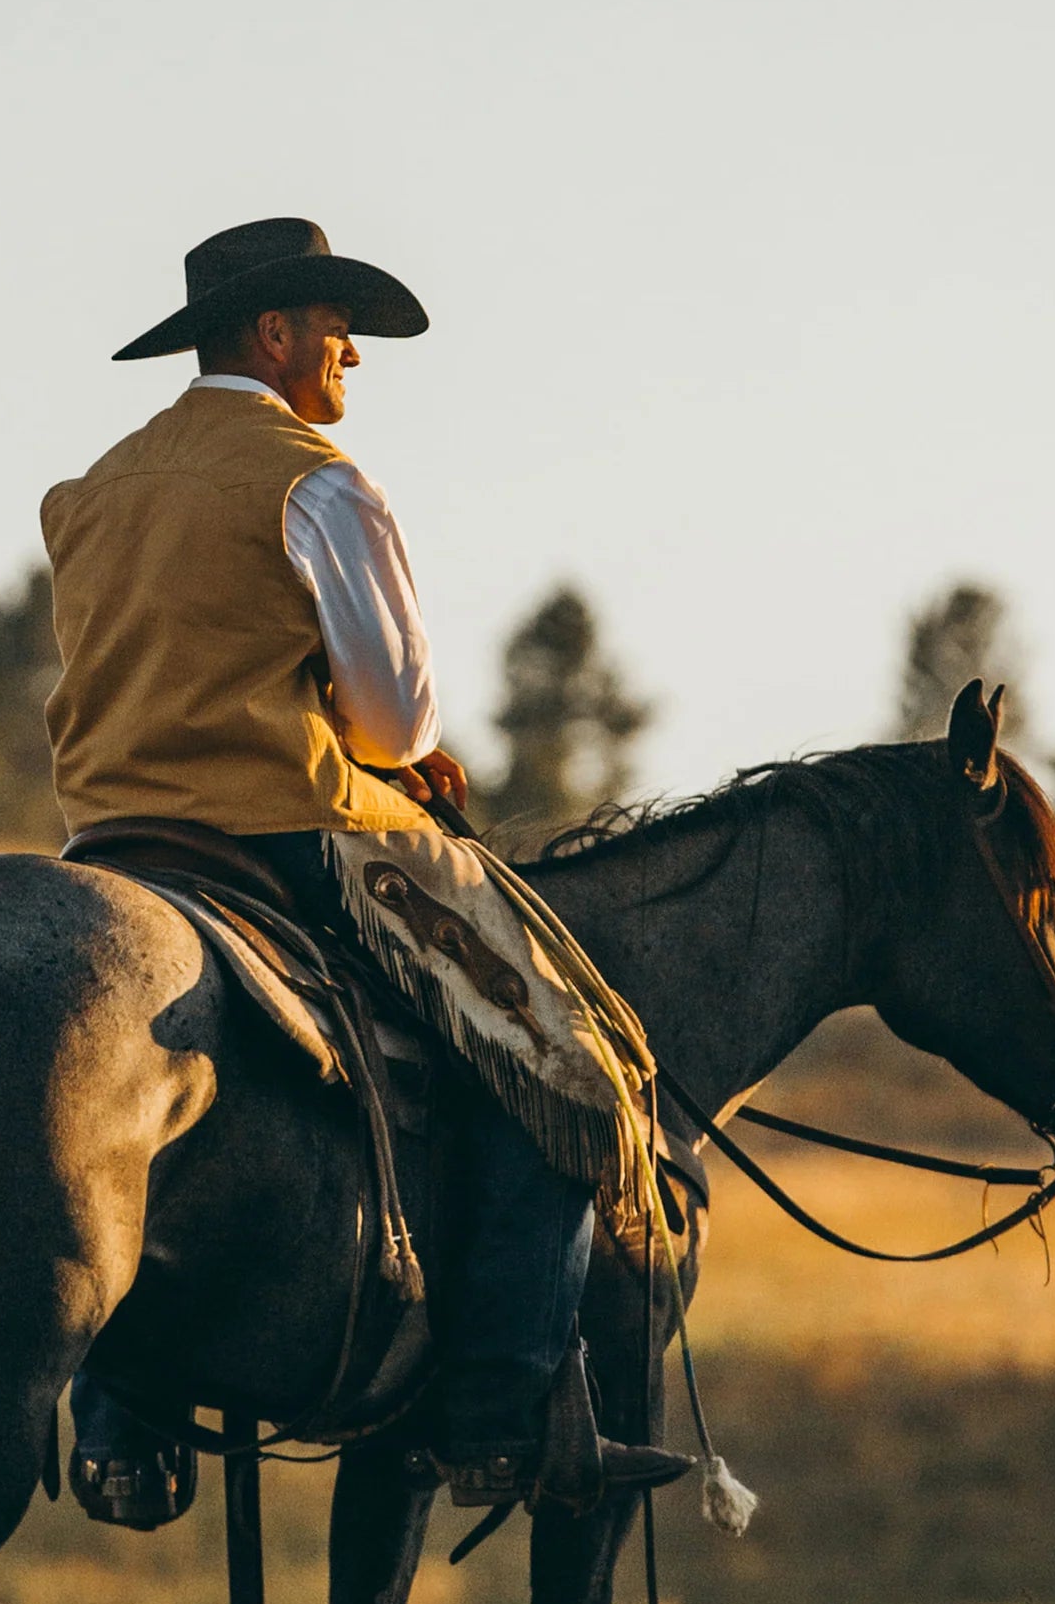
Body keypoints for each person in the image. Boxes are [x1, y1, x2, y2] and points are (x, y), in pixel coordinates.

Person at [41, 217, 684, 1511]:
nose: (351, 355)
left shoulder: (92, 490)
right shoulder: (315, 480)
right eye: (337, 330)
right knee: (556, 1055)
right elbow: (395, 721)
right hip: (287, 824)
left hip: (107, 833)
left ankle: (117, 1417)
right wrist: (390, 751)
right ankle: (499, 1409)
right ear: (273, 335)